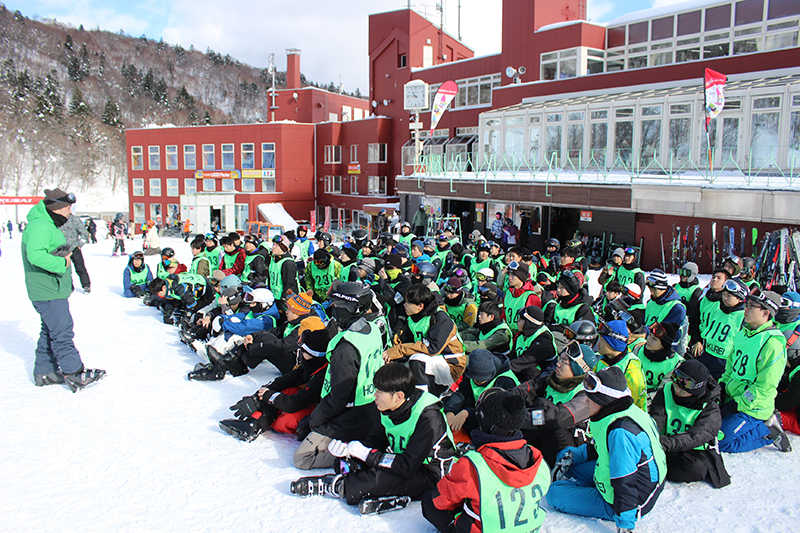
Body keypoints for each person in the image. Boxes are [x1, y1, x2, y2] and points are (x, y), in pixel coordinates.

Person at [546, 366, 666, 532]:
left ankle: (591, 494)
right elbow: (599, 447)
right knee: (566, 456)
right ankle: (582, 484)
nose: (586, 401)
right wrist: (572, 456)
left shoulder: (621, 432)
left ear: (604, 401)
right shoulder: (619, 413)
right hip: (621, 477)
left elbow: (625, 480)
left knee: (555, 494)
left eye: (591, 398)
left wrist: (625, 524)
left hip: (631, 499)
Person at [423, 388, 550, 533]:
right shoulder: (536, 458)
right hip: (528, 528)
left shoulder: (474, 464)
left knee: (429, 500)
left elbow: (440, 499)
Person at [293, 283, 385, 470]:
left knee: (302, 458)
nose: (333, 309)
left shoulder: (346, 348)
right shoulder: (373, 329)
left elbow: (339, 396)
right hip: (372, 406)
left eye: (336, 305)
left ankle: (355, 455)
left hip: (352, 414)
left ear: (349, 309)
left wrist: (316, 419)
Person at [22, 189, 105, 391]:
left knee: (50, 330)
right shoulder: (40, 227)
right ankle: (74, 373)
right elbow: (36, 256)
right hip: (47, 289)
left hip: (50, 288)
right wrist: (62, 262)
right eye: (68, 207)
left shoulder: (45, 224)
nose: (70, 211)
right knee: (62, 330)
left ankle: (45, 372)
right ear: (57, 208)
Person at [220, 317, 334, 441]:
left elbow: (296, 402)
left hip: (320, 409)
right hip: (308, 398)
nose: (300, 353)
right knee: (285, 391)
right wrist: (259, 396)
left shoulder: (323, 374)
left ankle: (262, 421)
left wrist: (270, 396)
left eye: (303, 351)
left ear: (313, 354)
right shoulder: (310, 363)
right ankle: (253, 424)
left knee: (284, 420)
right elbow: (288, 379)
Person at [718, 290, 791, 453]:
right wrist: (722, 386)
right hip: (733, 398)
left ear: (766, 312)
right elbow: (731, 366)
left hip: (752, 406)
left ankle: (767, 429)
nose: (745, 308)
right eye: (746, 304)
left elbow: (765, 387)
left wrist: (739, 403)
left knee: (721, 442)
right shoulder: (743, 333)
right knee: (706, 428)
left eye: (751, 306)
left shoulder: (772, 343)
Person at [649, 360, 731, 488]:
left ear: (697, 387)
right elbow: (657, 418)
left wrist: (665, 444)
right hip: (666, 444)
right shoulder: (667, 391)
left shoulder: (709, 406)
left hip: (693, 450)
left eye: (685, 383)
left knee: (695, 469)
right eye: (676, 378)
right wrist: (654, 438)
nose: (677, 386)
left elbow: (696, 437)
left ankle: (657, 464)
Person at [384, 283, 466, 395]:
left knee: (417, 359)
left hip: (452, 365)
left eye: (408, 303)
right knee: (398, 368)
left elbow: (432, 348)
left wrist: (398, 350)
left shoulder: (440, 318)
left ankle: (422, 399)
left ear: (420, 306)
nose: (404, 305)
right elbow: (408, 344)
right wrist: (391, 358)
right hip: (433, 361)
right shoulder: (413, 318)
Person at [444, 349, 518, 436]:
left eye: (482, 380)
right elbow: (462, 393)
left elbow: (498, 411)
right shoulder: (471, 373)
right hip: (477, 408)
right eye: (475, 379)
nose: (477, 382)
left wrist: (467, 413)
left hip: (497, 419)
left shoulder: (505, 381)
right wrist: (451, 411)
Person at [696, 278, 747, 380]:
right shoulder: (719, 310)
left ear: (739, 298)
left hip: (723, 362)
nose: (725, 298)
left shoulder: (742, 317)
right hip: (707, 355)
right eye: (724, 294)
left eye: (729, 296)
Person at [595, 320, 648, 411]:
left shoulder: (631, 371)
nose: (598, 343)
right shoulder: (604, 358)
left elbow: (628, 407)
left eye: (602, 340)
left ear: (613, 344)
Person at [510, 305, 557, 382]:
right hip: (522, 373)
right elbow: (512, 358)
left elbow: (524, 361)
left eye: (521, 319)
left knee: (531, 371)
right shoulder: (521, 335)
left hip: (540, 380)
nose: (517, 320)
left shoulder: (544, 340)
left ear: (529, 323)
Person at [639, 321, 682, 397]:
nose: (649, 340)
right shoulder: (637, 348)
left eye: (654, 339)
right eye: (650, 335)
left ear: (664, 345)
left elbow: (663, 393)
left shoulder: (676, 364)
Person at [60, 211, 91, 293]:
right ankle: (68, 286)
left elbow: (84, 234)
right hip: (62, 248)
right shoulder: (57, 220)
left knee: (80, 268)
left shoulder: (74, 220)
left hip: (74, 248)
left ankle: (86, 285)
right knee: (64, 269)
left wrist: (79, 245)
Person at [269, 235, 300, 301]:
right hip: (274, 297)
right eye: (273, 244)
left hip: (284, 300)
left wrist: (284, 300)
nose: (273, 247)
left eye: (276, 245)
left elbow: (290, 286)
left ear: (283, 247)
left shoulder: (288, 263)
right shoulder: (273, 259)